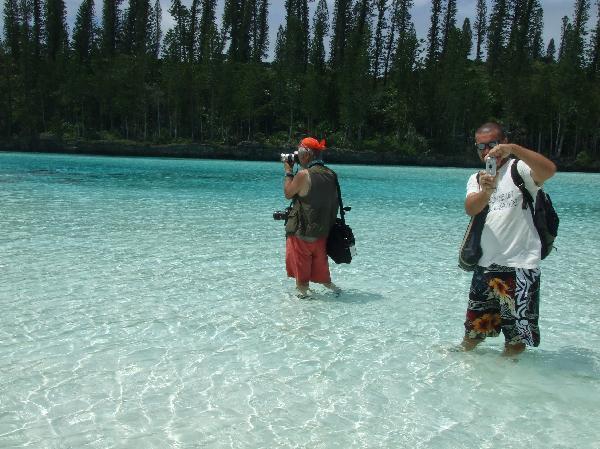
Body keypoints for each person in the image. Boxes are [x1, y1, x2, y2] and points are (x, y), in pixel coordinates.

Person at [461, 122, 556, 356]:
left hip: (521, 267)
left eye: (492, 144)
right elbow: (471, 209)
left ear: (502, 141)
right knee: (472, 334)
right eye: (481, 146)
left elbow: (549, 171)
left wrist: (514, 149)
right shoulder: (478, 178)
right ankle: (465, 378)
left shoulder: (519, 169)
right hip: (485, 266)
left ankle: (508, 382)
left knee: (515, 339)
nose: (487, 151)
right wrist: (486, 191)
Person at [283, 137, 340, 297]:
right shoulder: (331, 174)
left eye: (299, 153)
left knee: (302, 285)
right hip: (322, 235)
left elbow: (288, 193)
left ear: (306, 155)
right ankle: (338, 294)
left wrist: (288, 170)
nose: (298, 157)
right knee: (325, 280)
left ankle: (304, 308)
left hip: (302, 235)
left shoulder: (303, 175)